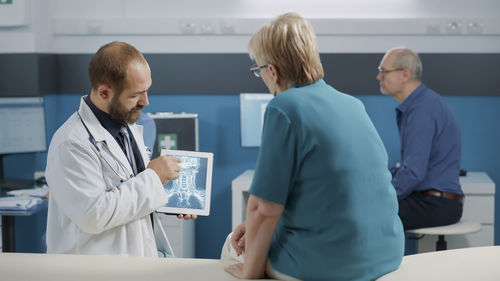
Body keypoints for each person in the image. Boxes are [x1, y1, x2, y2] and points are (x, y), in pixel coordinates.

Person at [223, 13, 404, 281]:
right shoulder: (352, 104)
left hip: (331, 267)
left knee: (232, 244)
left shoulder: (283, 107)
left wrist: (250, 275)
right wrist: (253, 226)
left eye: (258, 70)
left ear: (272, 71)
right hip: (387, 254)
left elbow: (263, 208)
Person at [45, 41, 195, 257]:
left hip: (133, 262)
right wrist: (153, 178)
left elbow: (128, 188)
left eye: (146, 91)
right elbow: (93, 215)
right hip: (93, 268)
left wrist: (168, 194)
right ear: (104, 92)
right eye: (135, 95)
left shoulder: (126, 124)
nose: (146, 101)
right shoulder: (71, 143)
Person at [377, 47, 463, 230]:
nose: (379, 77)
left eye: (383, 71)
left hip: (436, 204)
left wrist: (380, 196)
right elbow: (408, 167)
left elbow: (413, 172)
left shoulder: (421, 109)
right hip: (434, 200)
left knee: (366, 213)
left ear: (405, 74)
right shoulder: (421, 105)